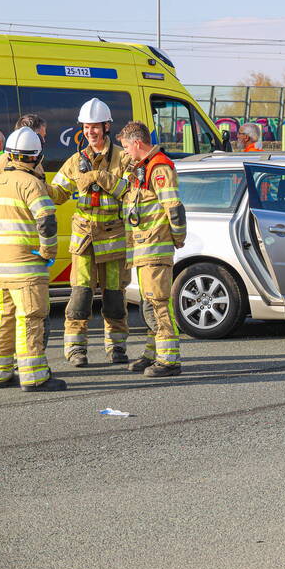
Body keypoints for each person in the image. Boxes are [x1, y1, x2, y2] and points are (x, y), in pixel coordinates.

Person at [46, 98, 132, 367]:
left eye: (95, 127)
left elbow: (131, 194)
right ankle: (75, 350)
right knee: (80, 297)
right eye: (86, 127)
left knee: (115, 298)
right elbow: (58, 194)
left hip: (114, 239)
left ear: (107, 127)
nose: (90, 132)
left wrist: (102, 178)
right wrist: (38, 183)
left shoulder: (123, 158)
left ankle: (116, 348)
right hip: (84, 240)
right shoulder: (74, 161)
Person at [0, 127, 65, 392]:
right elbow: (47, 222)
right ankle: (35, 377)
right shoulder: (31, 183)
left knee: (2, 319)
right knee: (30, 320)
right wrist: (48, 253)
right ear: (35, 156)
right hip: (26, 268)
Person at [116, 122, 185, 377]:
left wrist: (176, 239)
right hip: (145, 250)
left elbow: (173, 208)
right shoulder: (142, 168)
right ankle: (152, 354)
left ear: (137, 143)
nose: (124, 153)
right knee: (149, 305)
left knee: (158, 304)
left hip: (156, 248)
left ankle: (169, 360)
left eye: (126, 147)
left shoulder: (159, 167)